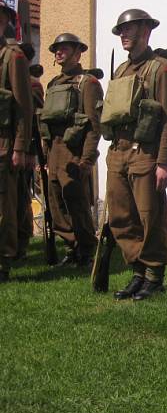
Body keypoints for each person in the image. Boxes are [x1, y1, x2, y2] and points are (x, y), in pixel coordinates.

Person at [105, 9, 167, 301]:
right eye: (122, 30)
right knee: (121, 217)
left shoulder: (161, 69)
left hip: (146, 154)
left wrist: (164, 161)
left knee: (150, 217)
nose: (124, 35)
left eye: (130, 29)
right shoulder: (122, 71)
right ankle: (137, 272)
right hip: (119, 153)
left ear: (146, 31)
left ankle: (154, 275)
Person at [39, 33, 103, 266]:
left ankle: (86, 248)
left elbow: (94, 125)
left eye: (65, 48)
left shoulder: (87, 83)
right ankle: (71, 246)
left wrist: (87, 160)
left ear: (78, 53)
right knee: (56, 202)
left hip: (74, 150)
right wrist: (45, 155)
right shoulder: (53, 84)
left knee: (76, 201)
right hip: (54, 150)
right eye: (57, 49)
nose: (59, 52)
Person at [0, 1, 33, 282]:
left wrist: (20, 147)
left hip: (3, 145)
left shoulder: (13, 57)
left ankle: (3, 263)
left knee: (3, 209)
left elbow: (23, 107)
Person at [15, 42, 43, 260]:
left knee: (21, 195)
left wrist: (31, 151)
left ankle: (22, 239)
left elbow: (34, 121)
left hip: (23, 149)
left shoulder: (32, 85)